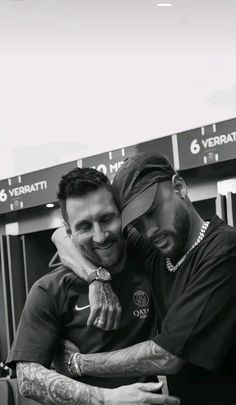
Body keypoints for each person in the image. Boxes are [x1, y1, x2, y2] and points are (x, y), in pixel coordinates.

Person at [54, 153, 236, 405]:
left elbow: (167, 356)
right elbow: (62, 236)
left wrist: (77, 363)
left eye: (153, 211)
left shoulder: (224, 249)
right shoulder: (156, 247)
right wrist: (96, 278)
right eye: (137, 223)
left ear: (179, 187)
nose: (149, 230)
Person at [6, 166, 180, 405]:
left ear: (122, 215)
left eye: (107, 219)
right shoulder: (49, 290)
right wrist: (107, 399)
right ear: (69, 232)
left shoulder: (150, 259)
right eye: (85, 226)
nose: (100, 236)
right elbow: (27, 377)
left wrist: (96, 277)